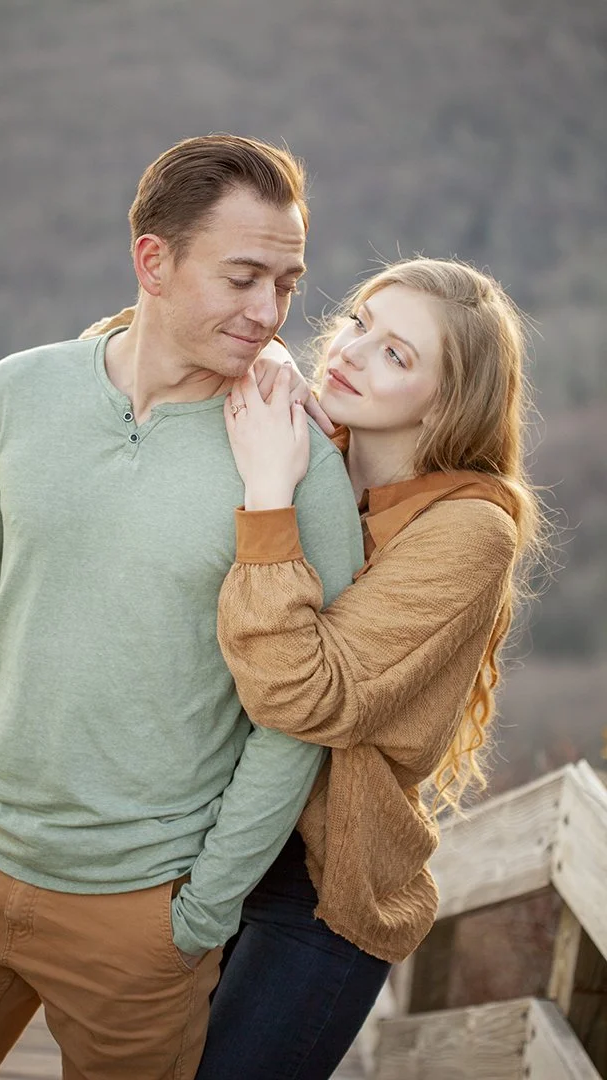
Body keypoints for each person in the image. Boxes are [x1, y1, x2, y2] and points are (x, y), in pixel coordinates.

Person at [0, 135, 365, 1080]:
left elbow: (299, 715)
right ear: (153, 260)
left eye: (287, 282)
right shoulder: (21, 392)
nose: (270, 313)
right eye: (242, 278)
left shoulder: (295, 465)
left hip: (141, 915)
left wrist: (203, 909)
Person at [195, 257, 546, 1079]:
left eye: (397, 355)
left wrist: (270, 498)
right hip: (199, 840)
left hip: (318, 894)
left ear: (449, 398)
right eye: (361, 323)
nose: (350, 351)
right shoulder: (300, 445)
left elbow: (305, 693)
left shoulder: (469, 529)